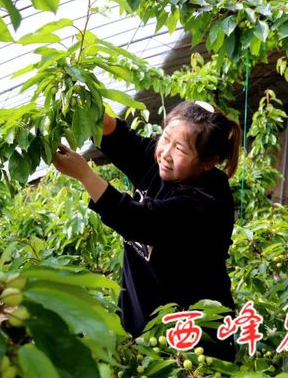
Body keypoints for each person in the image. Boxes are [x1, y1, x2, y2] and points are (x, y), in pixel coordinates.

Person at [53, 100, 241, 361]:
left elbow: (140, 221)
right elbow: (121, 139)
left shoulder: (207, 200)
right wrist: (84, 102)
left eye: (180, 149)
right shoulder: (162, 165)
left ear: (208, 162)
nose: (165, 153)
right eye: (165, 139)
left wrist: (85, 175)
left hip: (193, 339)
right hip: (143, 325)